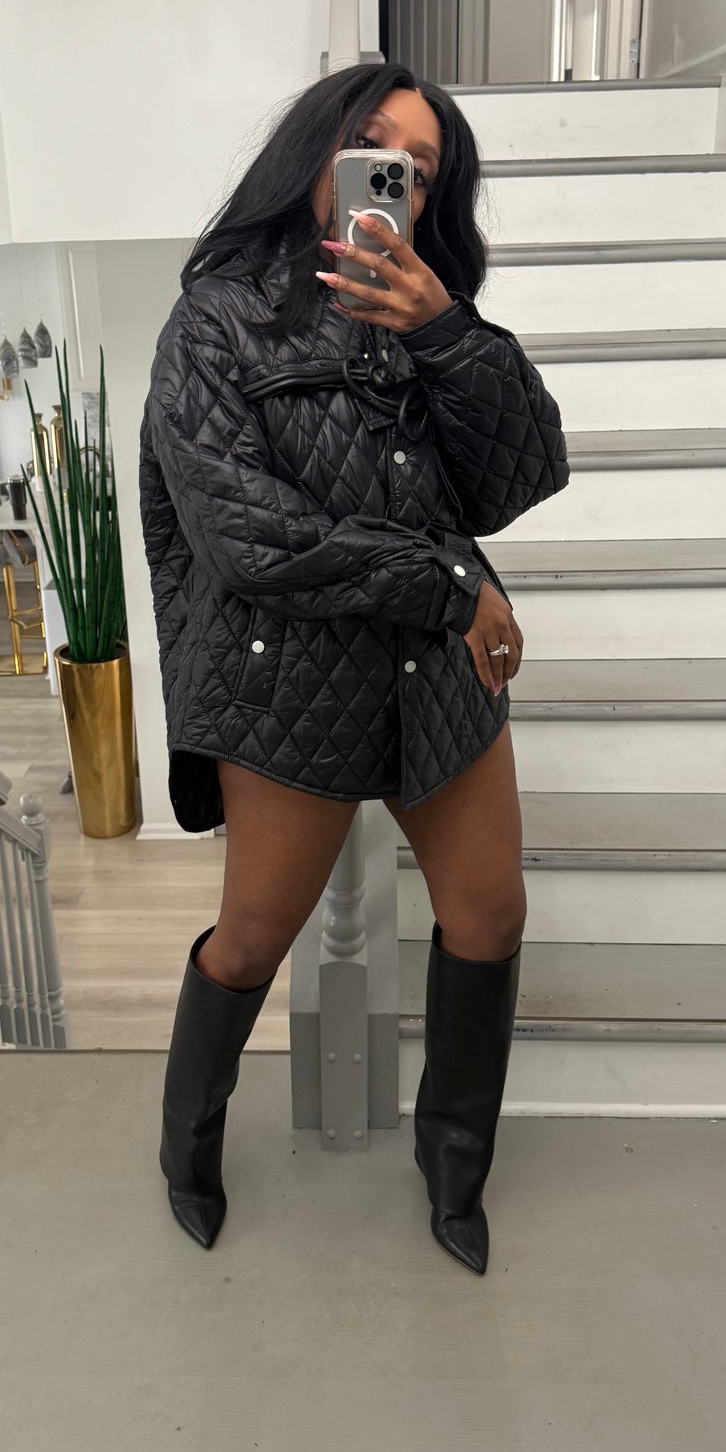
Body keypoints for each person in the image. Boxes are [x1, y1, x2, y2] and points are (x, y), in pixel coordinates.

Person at [138, 63, 570, 1274]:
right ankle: (186, 1148)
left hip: (434, 678)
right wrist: (446, 585)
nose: (396, 176)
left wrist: (444, 330)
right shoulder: (216, 322)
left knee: (490, 914)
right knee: (252, 937)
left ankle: (454, 1172)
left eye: (419, 171)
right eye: (376, 144)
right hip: (291, 677)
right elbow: (247, 539)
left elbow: (522, 476)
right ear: (319, 148)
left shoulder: (434, 314)